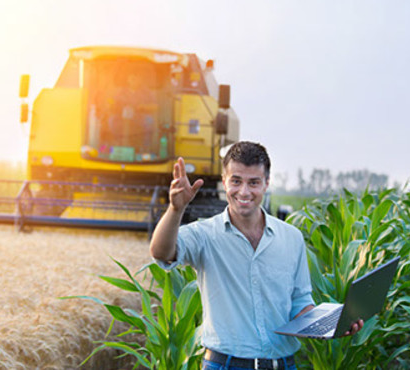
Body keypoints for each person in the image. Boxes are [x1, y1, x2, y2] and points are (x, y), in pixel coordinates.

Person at [149, 141, 363, 370]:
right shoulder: (204, 235)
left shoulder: (291, 238)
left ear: (266, 184)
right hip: (224, 365)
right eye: (236, 181)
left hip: (282, 365)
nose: (244, 192)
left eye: (253, 183)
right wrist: (175, 209)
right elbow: (161, 252)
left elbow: (301, 302)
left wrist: (333, 323)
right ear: (224, 181)